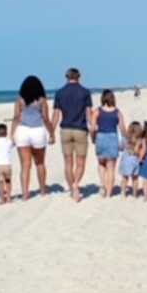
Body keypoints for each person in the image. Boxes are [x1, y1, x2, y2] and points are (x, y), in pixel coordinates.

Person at [11, 75, 56, 200]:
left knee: (25, 165)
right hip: (37, 131)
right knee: (40, 163)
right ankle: (42, 190)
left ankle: (25, 193)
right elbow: (46, 119)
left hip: (22, 131)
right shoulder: (42, 100)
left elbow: (16, 118)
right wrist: (52, 133)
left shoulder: (19, 100)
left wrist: (11, 134)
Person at [52, 68, 93, 202]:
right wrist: (93, 129)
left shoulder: (59, 93)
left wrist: (51, 131)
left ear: (66, 77)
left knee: (68, 163)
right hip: (80, 129)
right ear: (79, 77)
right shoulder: (85, 92)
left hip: (65, 130)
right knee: (80, 163)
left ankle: (72, 188)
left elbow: (56, 115)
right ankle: (75, 185)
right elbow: (88, 114)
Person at [90, 89, 127, 198]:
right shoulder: (117, 112)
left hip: (100, 137)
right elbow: (123, 129)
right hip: (112, 138)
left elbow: (92, 128)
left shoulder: (97, 111)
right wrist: (127, 138)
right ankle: (109, 194)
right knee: (111, 167)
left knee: (101, 164)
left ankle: (102, 185)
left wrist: (93, 138)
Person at [119, 121, 143, 198]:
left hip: (126, 159)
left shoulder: (125, 138)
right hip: (135, 160)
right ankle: (135, 194)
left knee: (125, 178)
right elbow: (141, 150)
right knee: (135, 178)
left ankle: (123, 193)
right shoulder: (140, 140)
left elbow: (121, 147)